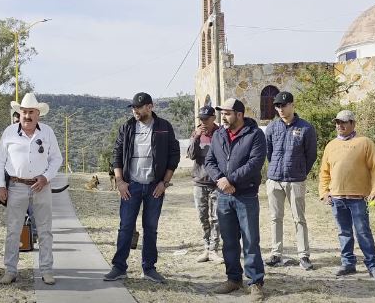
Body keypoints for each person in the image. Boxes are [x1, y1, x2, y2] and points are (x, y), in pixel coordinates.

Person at [103, 92, 180, 284]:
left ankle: (149, 268)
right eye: (133, 108)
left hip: (155, 186)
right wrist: (120, 182)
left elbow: (174, 155)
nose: (135, 111)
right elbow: (117, 154)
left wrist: (164, 183)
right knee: (125, 227)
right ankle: (119, 267)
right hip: (131, 186)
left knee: (151, 228)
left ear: (150, 107)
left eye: (138, 107)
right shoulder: (127, 127)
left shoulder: (164, 127)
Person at [0, 93, 63, 285]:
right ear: (20, 113)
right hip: (16, 186)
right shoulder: (9, 132)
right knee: (13, 230)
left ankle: (47, 270)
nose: (27, 116)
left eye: (31, 112)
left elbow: (56, 159)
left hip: (42, 187)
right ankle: (10, 270)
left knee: (45, 231)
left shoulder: (47, 132)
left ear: (38, 114)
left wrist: (46, 177)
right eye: (24, 112)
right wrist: (0, 186)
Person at [204, 98, 266, 302]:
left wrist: (230, 180)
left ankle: (255, 282)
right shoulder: (219, 134)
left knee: (250, 240)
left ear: (239, 114)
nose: (223, 117)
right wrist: (220, 180)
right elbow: (209, 161)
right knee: (229, 241)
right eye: (222, 113)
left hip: (245, 195)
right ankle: (233, 279)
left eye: (227, 113)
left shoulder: (255, 134)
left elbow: (255, 163)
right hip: (224, 195)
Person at [318, 110, 375, 280]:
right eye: (337, 122)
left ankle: (374, 266)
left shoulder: (364, 142)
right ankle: (348, 264)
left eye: (344, 122)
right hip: (337, 198)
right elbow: (324, 172)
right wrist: (324, 192)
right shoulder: (331, 145)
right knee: (344, 232)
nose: (340, 125)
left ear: (353, 124)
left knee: (363, 232)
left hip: (358, 198)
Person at [264, 91, 317, 270]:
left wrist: (300, 171)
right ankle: (276, 253)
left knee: (299, 219)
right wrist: (275, 170)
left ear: (292, 105)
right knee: (275, 218)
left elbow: (311, 155)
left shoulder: (306, 128)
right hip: (274, 180)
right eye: (277, 106)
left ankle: (303, 255)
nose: (280, 109)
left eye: (284, 105)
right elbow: (269, 152)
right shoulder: (272, 127)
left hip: (295, 180)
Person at [187, 105, 222, 263]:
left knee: (216, 218)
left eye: (206, 119)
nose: (203, 122)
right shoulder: (196, 133)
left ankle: (214, 250)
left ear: (214, 118)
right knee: (203, 217)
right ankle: (206, 248)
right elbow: (191, 155)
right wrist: (196, 137)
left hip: (216, 182)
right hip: (199, 182)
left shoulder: (220, 133)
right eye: (201, 119)